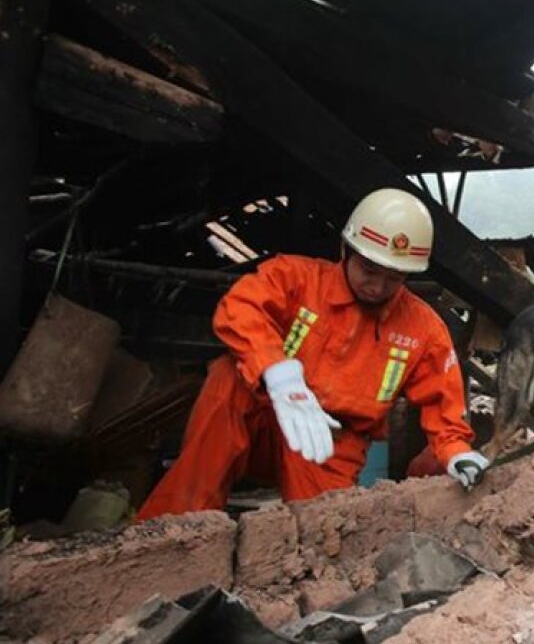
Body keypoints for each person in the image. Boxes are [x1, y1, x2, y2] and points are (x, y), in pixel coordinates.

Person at [136, 188, 488, 520]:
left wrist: (456, 453)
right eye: (369, 270)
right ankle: (180, 527)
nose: (378, 286)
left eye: (394, 278)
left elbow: (444, 405)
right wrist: (278, 374)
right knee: (229, 378)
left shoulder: (422, 328)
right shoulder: (296, 278)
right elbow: (240, 308)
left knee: (324, 533)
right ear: (345, 250)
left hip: (332, 443)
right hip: (264, 415)